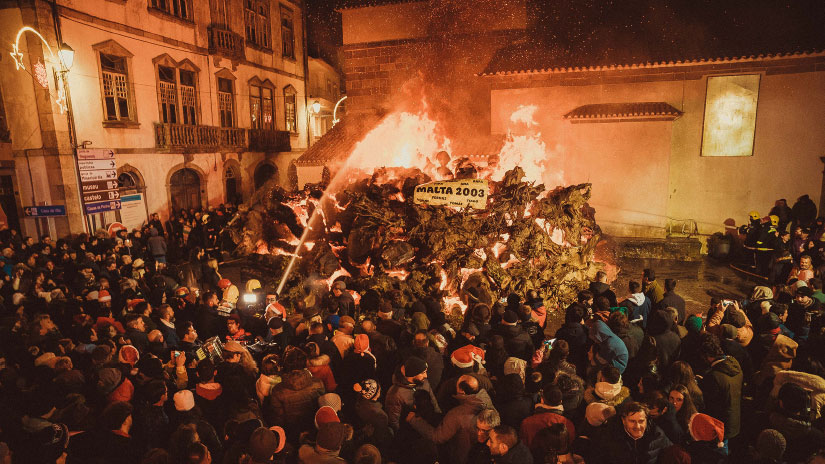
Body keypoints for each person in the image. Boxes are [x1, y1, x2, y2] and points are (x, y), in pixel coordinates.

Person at [406, 375, 492, 464]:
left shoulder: (457, 415)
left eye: (457, 385)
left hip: (461, 456)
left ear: (461, 391)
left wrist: (414, 421)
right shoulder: (485, 399)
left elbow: (437, 437)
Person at [590, 402, 671, 464]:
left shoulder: (657, 435)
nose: (637, 426)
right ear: (623, 420)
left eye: (641, 421)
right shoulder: (609, 436)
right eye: (632, 421)